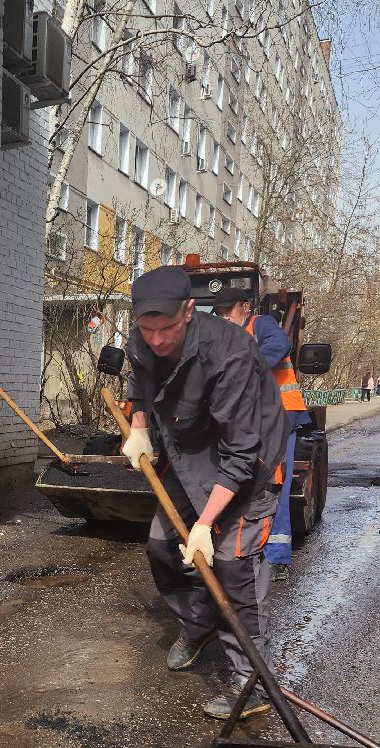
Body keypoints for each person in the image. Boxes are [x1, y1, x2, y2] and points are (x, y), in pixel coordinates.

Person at [122, 267, 290, 720]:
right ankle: (198, 623)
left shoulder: (230, 354)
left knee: (233, 566)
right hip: (187, 451)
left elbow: (240, 452)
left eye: (167, 329)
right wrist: (139, 427)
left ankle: (252, 680)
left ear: (189, 312)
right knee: (161, 546)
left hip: (247, 458)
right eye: (147, 329)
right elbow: (140, 384)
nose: (156, 340)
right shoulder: (142, 338)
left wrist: (203, 524)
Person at [212, 287, 309, 580]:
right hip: (248, 420)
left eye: (228, 311)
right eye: (218, 313)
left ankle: (276, 557)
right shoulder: (220, 338)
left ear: (246, 307)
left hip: (278, 416)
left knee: (271, 485)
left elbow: (279, 345)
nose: (223, 317)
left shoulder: (262, 325)